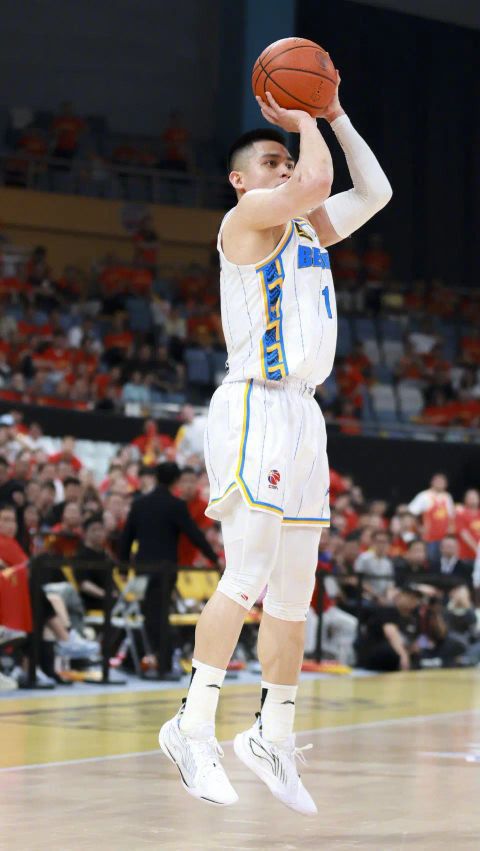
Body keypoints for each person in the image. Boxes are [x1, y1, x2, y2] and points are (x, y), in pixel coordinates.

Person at [159, 72, 392, 811]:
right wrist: (305, 118)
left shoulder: (307, 229)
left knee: (295, 593)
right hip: (254, 402)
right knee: (248, 572)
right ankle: (191, 725)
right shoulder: (246, 222)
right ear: (240, 180)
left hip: (304, 413)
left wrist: (337, 112)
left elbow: (376, 190)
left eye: (287, 160)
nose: (287, 169)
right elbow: (317, 178)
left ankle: (272, 735)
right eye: (271, 162)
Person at [120, 462, 220, 677]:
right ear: (175, 481)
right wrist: (214, 559)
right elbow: (195, 535)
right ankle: (162, 665)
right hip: (165, 572)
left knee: (144, 614)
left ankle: (133, 660)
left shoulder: (139, 503)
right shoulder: (176, 505)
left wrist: (123, 567)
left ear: (156, 477)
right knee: (159, 615)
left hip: (141, 570)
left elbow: (126, 537)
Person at [355, 586, 421, 672]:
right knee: (391, 651)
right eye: (409, 597)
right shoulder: (388, 611)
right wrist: (403, 654)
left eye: (415, 598)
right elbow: (391, 633)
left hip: (396, 658)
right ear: (399, 597)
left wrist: (415, 649)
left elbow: (415, 640)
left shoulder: (413, 619)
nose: (412, 601)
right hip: (375, 656)